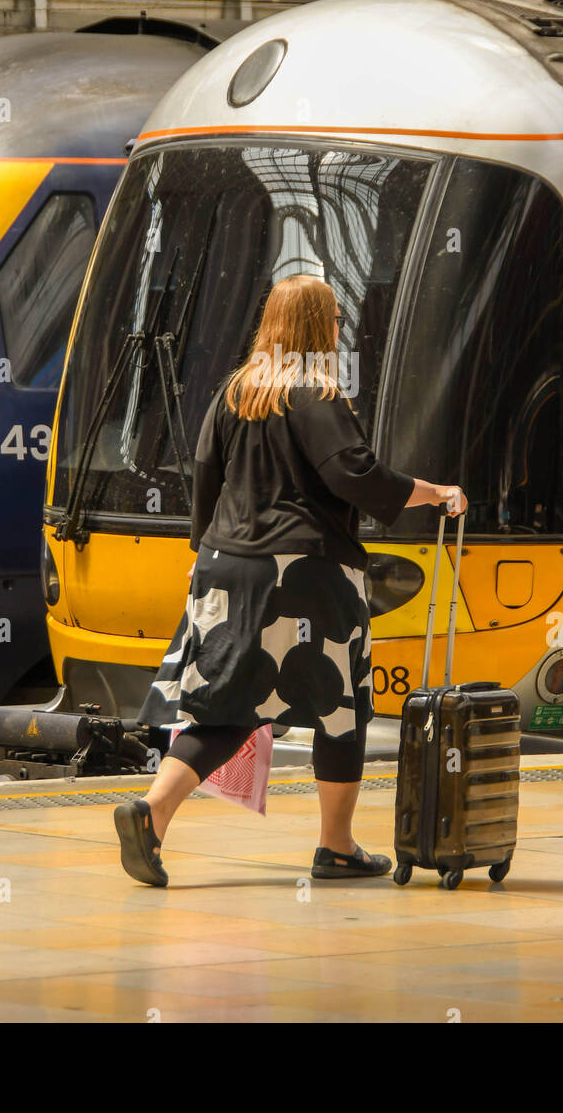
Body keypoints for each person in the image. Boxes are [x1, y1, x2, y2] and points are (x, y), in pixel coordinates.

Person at [113, 273, 467, 887]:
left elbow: (204, 475)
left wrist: (204, 548)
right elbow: (353, 474)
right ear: (316, 326)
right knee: (340, 706)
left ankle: (152, 813)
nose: (337, 329)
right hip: (303, 571)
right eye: (332, 319)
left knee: (223, 707)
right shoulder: (315, 391)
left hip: (227, 567)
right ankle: (336, 846)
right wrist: (435, 492)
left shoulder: (238, 390)